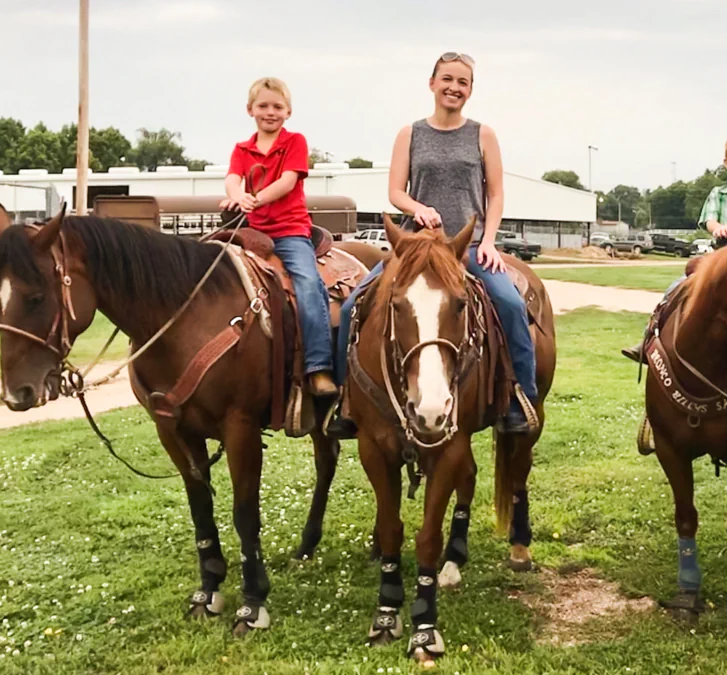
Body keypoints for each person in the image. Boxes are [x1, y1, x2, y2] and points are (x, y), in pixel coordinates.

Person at [327, 52, 537, 438]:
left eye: (463, 82)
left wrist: (489, 240)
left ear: (470, 90)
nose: (454, 88)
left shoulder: (482, 134)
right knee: (356, 301)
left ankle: (519, 397)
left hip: (465, 247)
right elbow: (395, 191)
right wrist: (417, 208)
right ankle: (346, 399)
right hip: (415, 247)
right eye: (448, 79)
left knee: (508, 303)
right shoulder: (410, 133)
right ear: (432, 83)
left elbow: (497, 193)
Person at [621, 131, 727, 362]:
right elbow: (709, 220)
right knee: (679, 286)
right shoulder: (717, 194)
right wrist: (717, 229)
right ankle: (649, 338)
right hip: (720, 260)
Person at [222, 77, 337, 398]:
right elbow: (232, 179)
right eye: (263, 106)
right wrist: (237, 195)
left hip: (289, 231)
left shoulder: (294, 142)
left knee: (308, 283)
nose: (269, 112)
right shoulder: (241, 149)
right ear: (250, 110)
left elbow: (288, 182)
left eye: (277, 107)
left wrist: (253, 198)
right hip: (251, 231)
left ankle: (319, 366)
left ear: (288, 112)